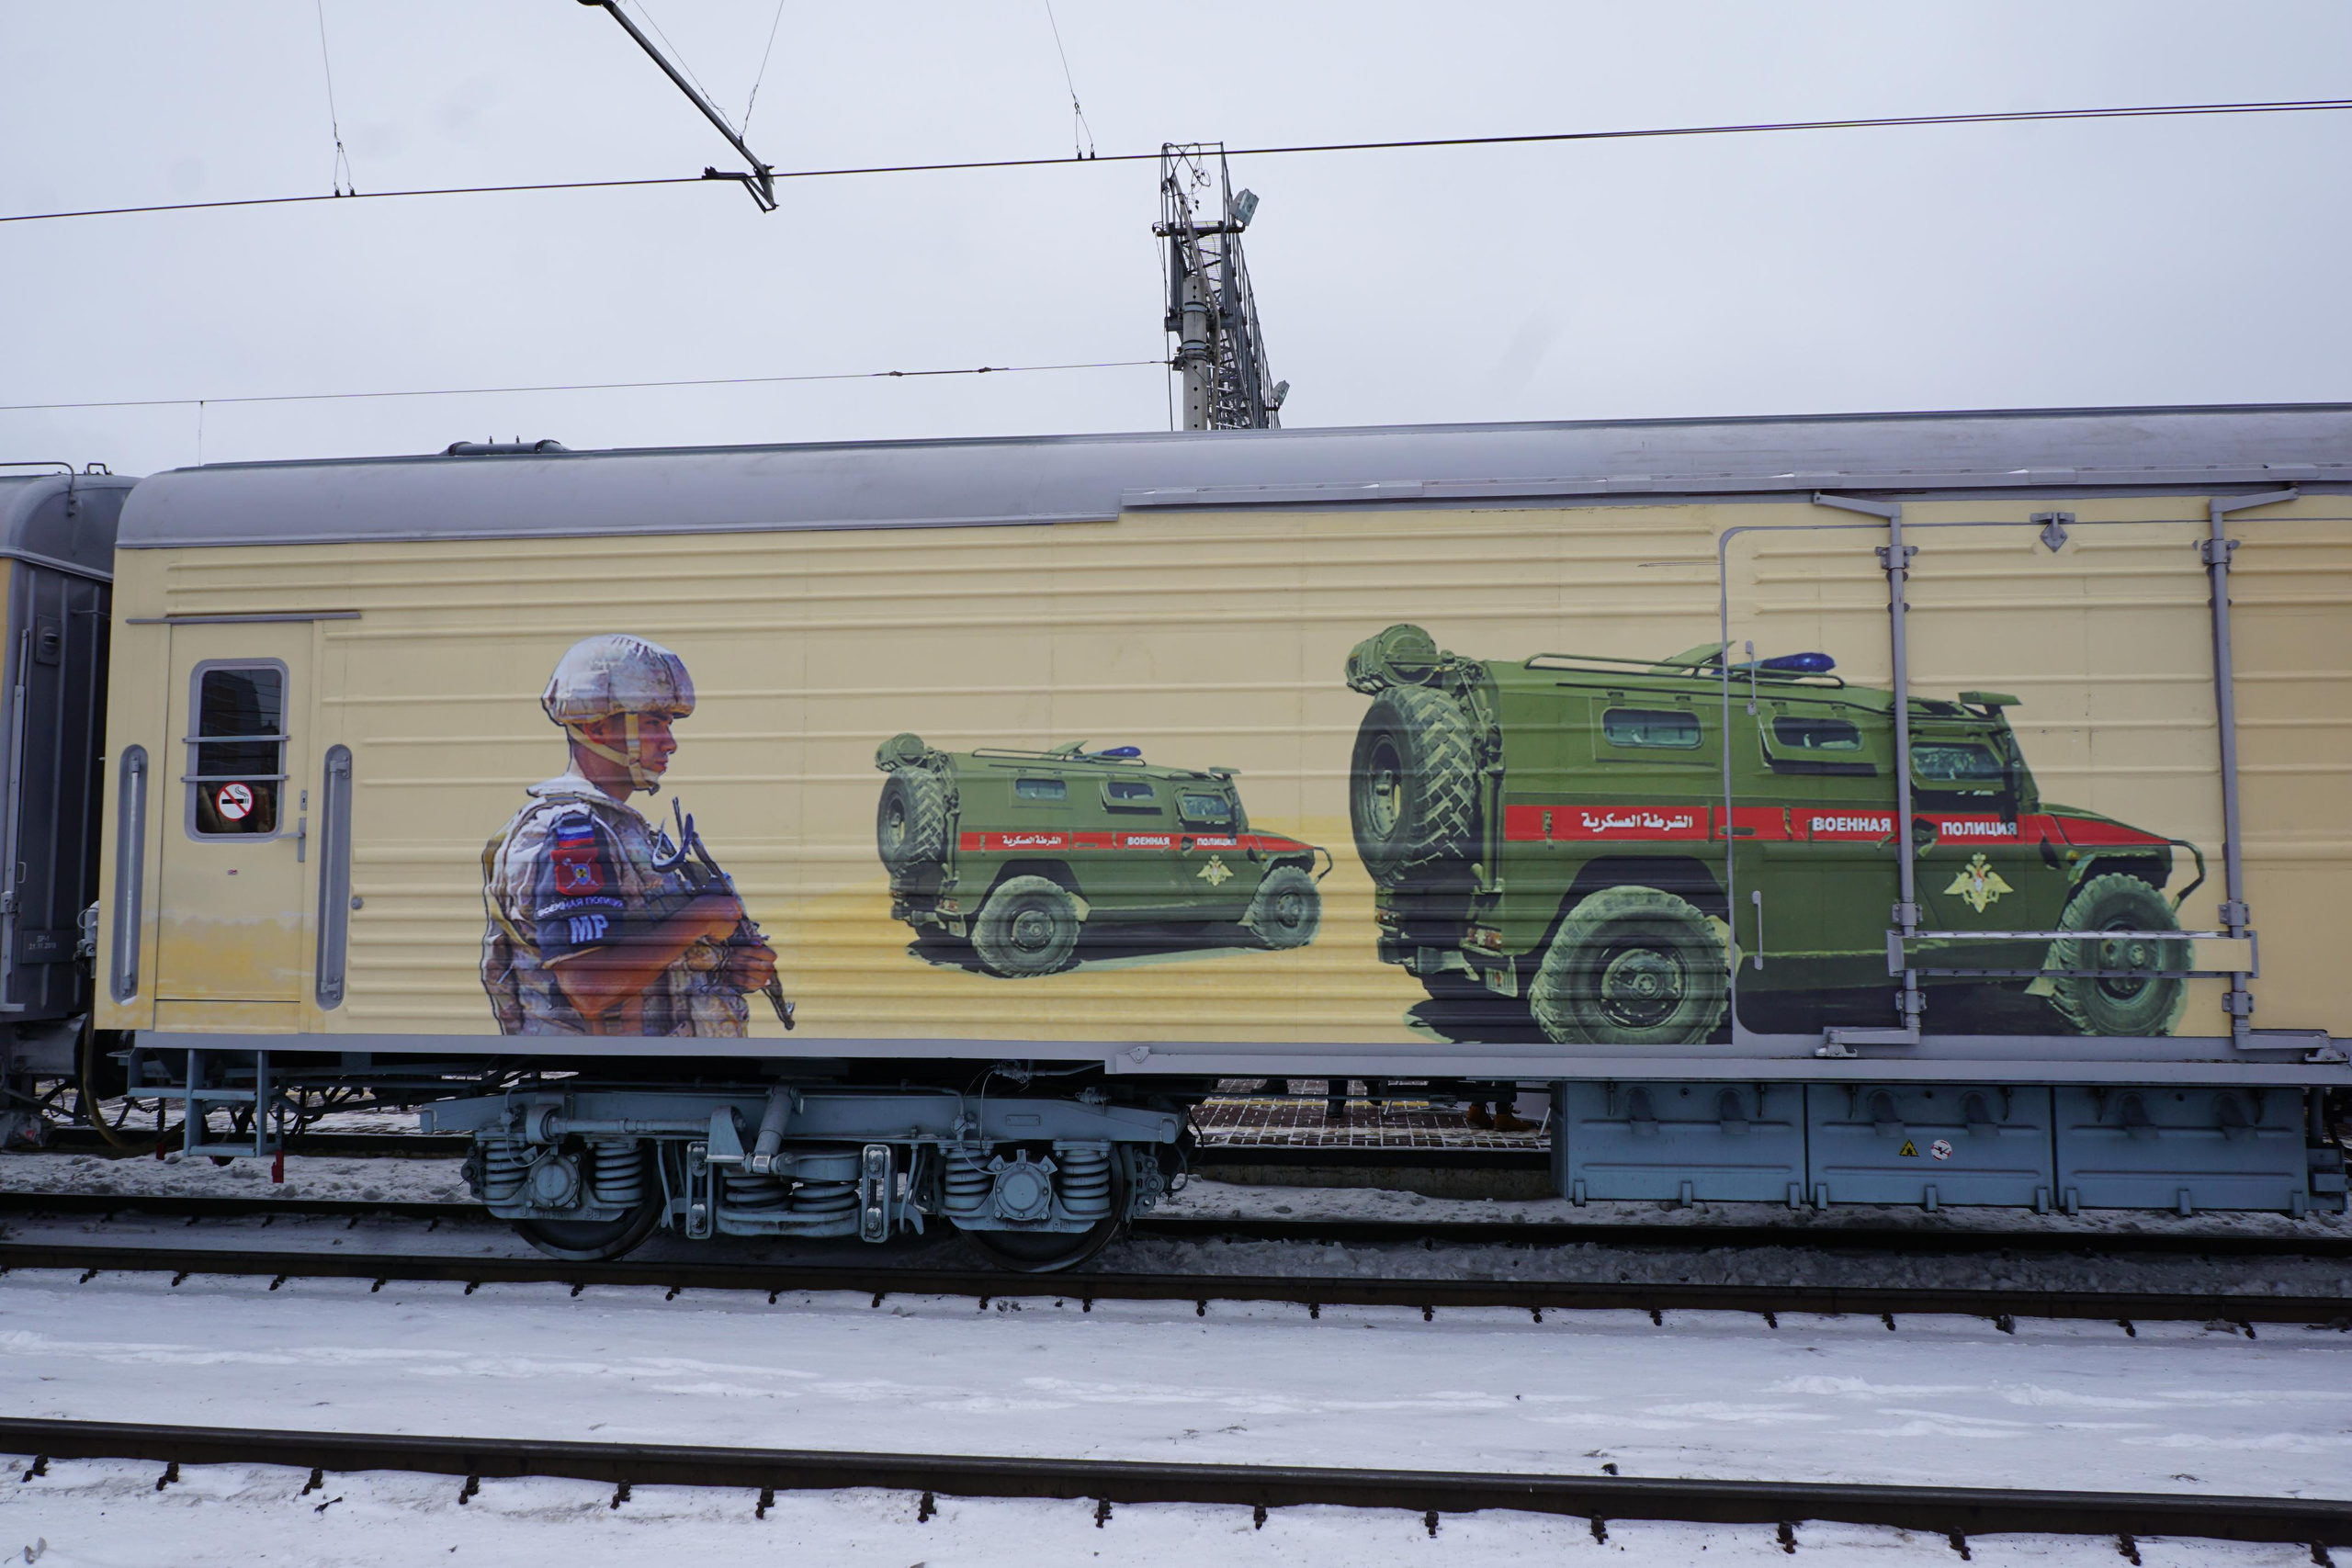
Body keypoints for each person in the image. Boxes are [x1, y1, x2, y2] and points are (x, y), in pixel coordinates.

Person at [481, 634, 777, 1036]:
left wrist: (727, 966)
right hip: (604, 1078)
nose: (670, 743)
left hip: (653, 1078)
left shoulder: (625, 831)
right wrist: (701, 916)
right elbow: (591, 987)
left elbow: (653, 962)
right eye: (654, 723)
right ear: (600, 728)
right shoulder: (571, 830)